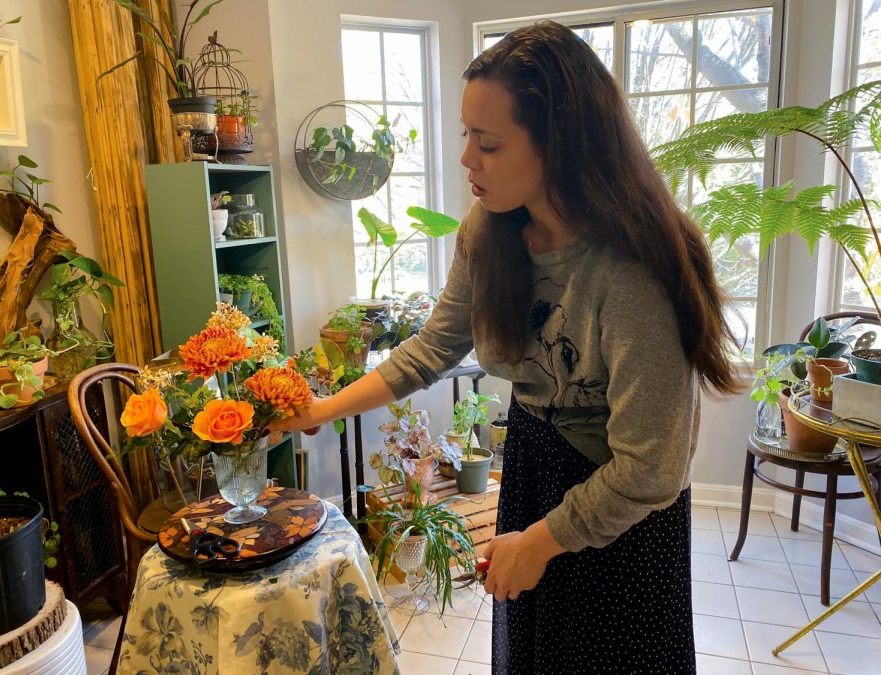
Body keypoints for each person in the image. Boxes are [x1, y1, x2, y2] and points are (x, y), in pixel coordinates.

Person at [274, 20, 741, 674]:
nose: (467, 158)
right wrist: (323, 409)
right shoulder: (489, 230)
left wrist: (544, 540)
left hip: (619, 514)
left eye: (487, 143)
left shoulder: (634, 274)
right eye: (467, 135)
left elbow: (650, 469)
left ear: (560, 145)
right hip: (533, 469)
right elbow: (435, 345)